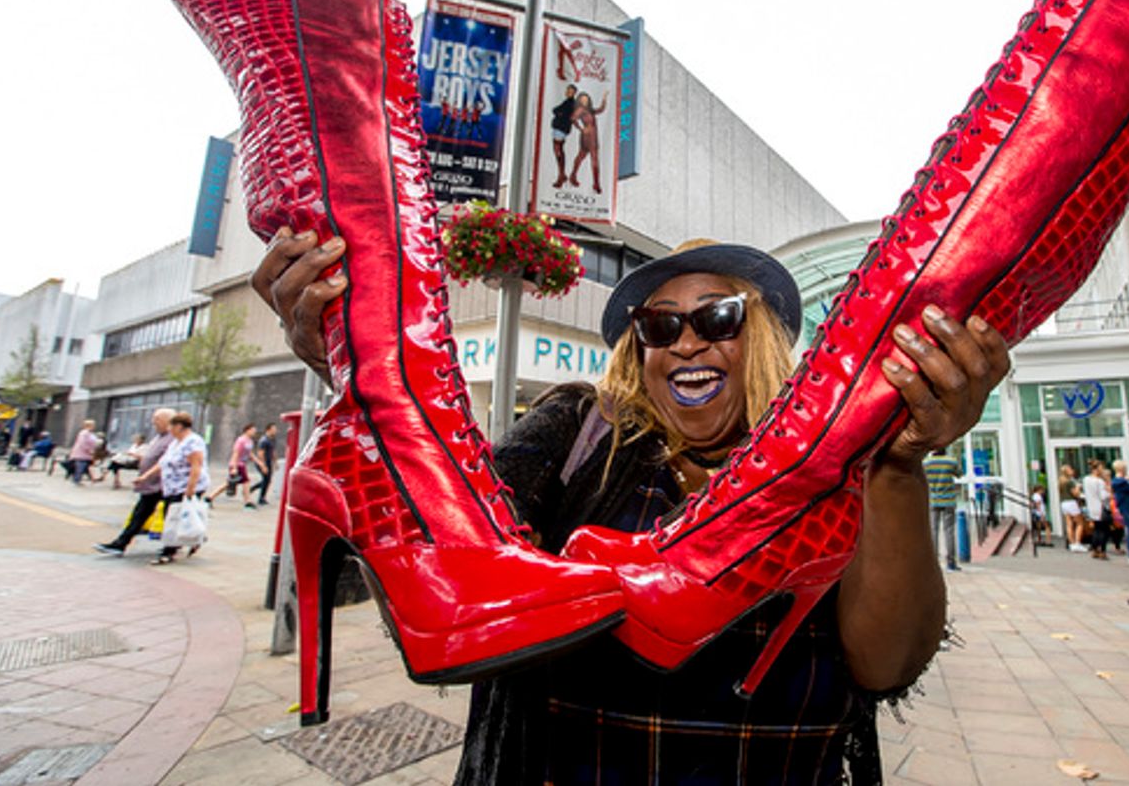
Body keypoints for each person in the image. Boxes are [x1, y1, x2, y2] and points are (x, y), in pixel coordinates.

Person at [256, 233, 1009, 783]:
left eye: (716, 318)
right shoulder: (572, 434)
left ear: (766, 340)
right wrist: (367, 372)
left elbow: (885, 664)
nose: (684, 341)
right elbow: (449, 564)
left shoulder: (837, 469)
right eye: (658, 324)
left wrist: (899, 464)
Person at [94, 409, 177, 556]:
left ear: (167, 421)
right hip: (152, 485)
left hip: (164, 485)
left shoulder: (173, 439)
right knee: (141, 515)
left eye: (157, 419)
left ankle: (172, 547)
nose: (153, 422)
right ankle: (120, 544)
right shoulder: (159, 437)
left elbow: (167, 462)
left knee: (167, 516)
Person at [135, 412, 207, 565]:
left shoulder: (193, 442)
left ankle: (170, 550)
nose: (169, 430)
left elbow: (196, 466)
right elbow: (163, 463)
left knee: (176, 517)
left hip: (185, 487)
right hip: (172, 487)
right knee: (175, 517)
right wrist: (145, 476)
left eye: (171, 426)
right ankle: (191, 540)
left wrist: (190, 488)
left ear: (179, 426)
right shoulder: (176, 442)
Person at [924, 449, 961, 572]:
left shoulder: (926, 463)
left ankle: (933, 562)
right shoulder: (951, 461)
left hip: (933, 501)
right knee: (949, 531)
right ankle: (951, 563)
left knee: (933, 531)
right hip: (949, 501)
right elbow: (960, 474)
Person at [210, 423, 258, 508]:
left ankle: (210, 497)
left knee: (234, 483)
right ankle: (247, 501)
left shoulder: (250, 441)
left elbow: (250, 453)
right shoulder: (241, 440)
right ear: (247, 430)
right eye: (252, 430)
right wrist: (234, 467)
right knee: (243, 482)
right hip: (237, 464)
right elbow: (236, 453)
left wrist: (258, 462)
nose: (254, 432)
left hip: (242, 464)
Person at [569, 91, 608, 193]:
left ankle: (573, 176)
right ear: (580, 101)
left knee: (581, 156)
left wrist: (604, 98)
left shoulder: (589, 110)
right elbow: (573, 118)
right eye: (582, 99)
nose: (585, 101)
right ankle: (596, 184)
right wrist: (581, 129)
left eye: (586, 99)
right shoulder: (580, 109)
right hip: (587, 137)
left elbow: (601, 110)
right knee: (593, 159)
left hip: (594, 136)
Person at [1083, 458, 1112, 560]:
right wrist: (1109, 492)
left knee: (1096, 529)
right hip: (1101, 507)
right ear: (1097, 469)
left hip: (1092, 507)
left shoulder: (1086, 479)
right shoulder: (1099, 482)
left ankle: (1095, 548)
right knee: (1104, 530)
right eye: (1101, 468)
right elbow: (1103, 496)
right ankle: (1102, 550)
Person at [550, 83, 577, 187]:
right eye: (567, 90)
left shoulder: (570, 104)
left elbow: (559, 111)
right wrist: (558, 112)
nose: (568, 92)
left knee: (558, 150)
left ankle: (561, 175)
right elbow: (555, 110)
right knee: (558, 150)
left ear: (573, 93)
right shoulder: (567, 102)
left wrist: (559, 113)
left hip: (561, 128)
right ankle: (562, 174)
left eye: (570, 91)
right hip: (559, 128)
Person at [1058, 462, 1086, 551]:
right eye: (1070, 469)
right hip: (1071, 502)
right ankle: (1078, 542)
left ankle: (1072, 543)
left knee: (1069, 524)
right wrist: (1078, 487)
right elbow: (1076, 494)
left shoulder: (1061, 482)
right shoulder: (1070, 482)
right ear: (1067, 472)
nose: (1072, 471)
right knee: (1080, 523)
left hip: (1064, 503)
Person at [64, 420, 99, 486]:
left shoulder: (89, 433)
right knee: (80, 466)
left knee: (83, 466)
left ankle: (79, 479)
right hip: (82, 453)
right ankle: (76, 480)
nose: (94, 426)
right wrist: (89, 450)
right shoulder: (84, 433)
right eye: (93, 425)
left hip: (85, 454)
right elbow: (82, 443)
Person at [252, 421, 278, 506]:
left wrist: (275, 462)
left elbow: (273, 451)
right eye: (273, 429)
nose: (275, 431)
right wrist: (263, 465)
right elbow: (260, 453)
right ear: (268, 430)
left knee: (267, 480)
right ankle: (261, 498)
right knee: (266, 479)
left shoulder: (272, 440)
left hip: (268, 461)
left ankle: (253, 489)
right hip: (263, 462)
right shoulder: (263, 440)